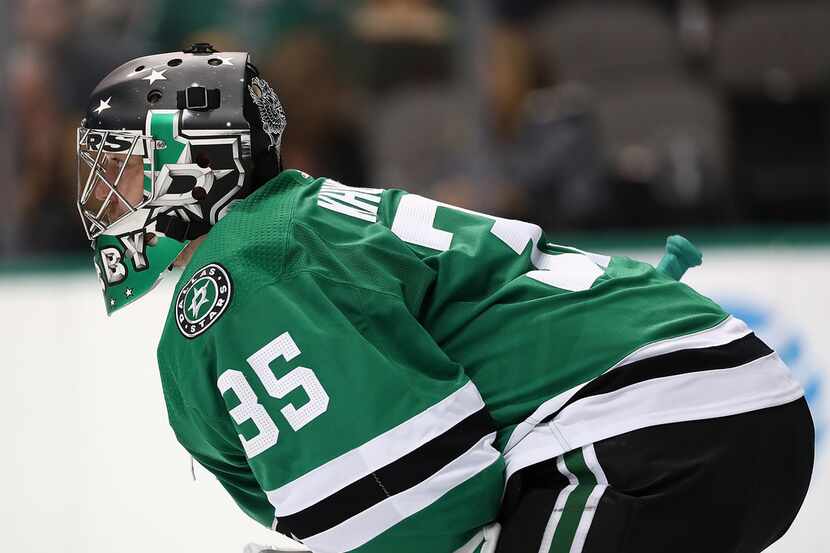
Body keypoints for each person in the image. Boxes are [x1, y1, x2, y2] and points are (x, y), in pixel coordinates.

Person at [76, 46, 813, 553]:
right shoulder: (295, 224)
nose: (108, 196)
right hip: (710, 409)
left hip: (645, 433)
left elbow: (415, 510)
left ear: (194, 163)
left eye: (127, 168)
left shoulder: (243, 272)